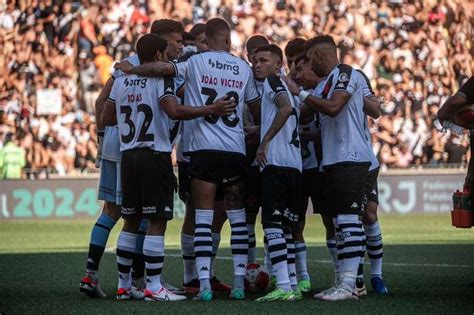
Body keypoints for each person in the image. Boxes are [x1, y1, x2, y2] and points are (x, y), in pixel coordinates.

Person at [115, 17, 261, 301]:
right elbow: (256, 108)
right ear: (229, 41)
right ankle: (240, 284)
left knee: (202, 219)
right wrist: (255, 131)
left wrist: (132, 69)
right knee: (238, 220)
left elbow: (162, 68)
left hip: (201, 150)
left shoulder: (195, 62)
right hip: (234, 150)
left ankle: (202, 283)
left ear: (208, 38)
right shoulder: (243, 68)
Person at [79, 19, 187, 299]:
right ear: (160, 44)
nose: (179, 46)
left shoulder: (124, 69)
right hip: (140, 145)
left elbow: (102, 105)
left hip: (121, 144)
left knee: (126, 213)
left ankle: (121, 280)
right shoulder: (148, 69)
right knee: (140, 215)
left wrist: (102, 139)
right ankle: (147, 283)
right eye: (175, 41)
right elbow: (172, 109)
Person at [284, 35, 372, 301]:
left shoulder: (345, 73)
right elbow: (309, 110)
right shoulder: (327, 81)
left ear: (320, 56)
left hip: (350, 156)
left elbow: (333, 107)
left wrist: (298, 90)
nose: (309, 65)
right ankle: (343, 283)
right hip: (334, 159)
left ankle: (349, 285)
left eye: (310, 59)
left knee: (347, 222)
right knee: (340, 222)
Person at [252, 44, 303, 302]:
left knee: (271, 224)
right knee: (285, 227)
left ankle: (283, 285)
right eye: (254, 61)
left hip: (277, 164)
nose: (257, 65)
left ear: (277, 64)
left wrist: (265, 140)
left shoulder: (273, 82)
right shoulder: (289, 89)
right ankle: (292, 283)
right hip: (294, 166)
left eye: (263, 60)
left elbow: (284, 109)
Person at [291, 54, 325, 293]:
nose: (298, 74)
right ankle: (302, 277)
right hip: (298, 168)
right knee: (295, 224)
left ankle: (345, 278)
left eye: (301, 68)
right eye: (294, 69)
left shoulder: (323, 91)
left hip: (322, 166)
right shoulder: (290, 92)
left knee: (332, 222)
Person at [355, 69, 389, 295]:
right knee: (348, 220)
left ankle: (376, 275)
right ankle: (355, 277)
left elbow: (376, 109)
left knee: (369, 214)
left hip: (366, 161)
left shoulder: (357, 79)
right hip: (340, 161)